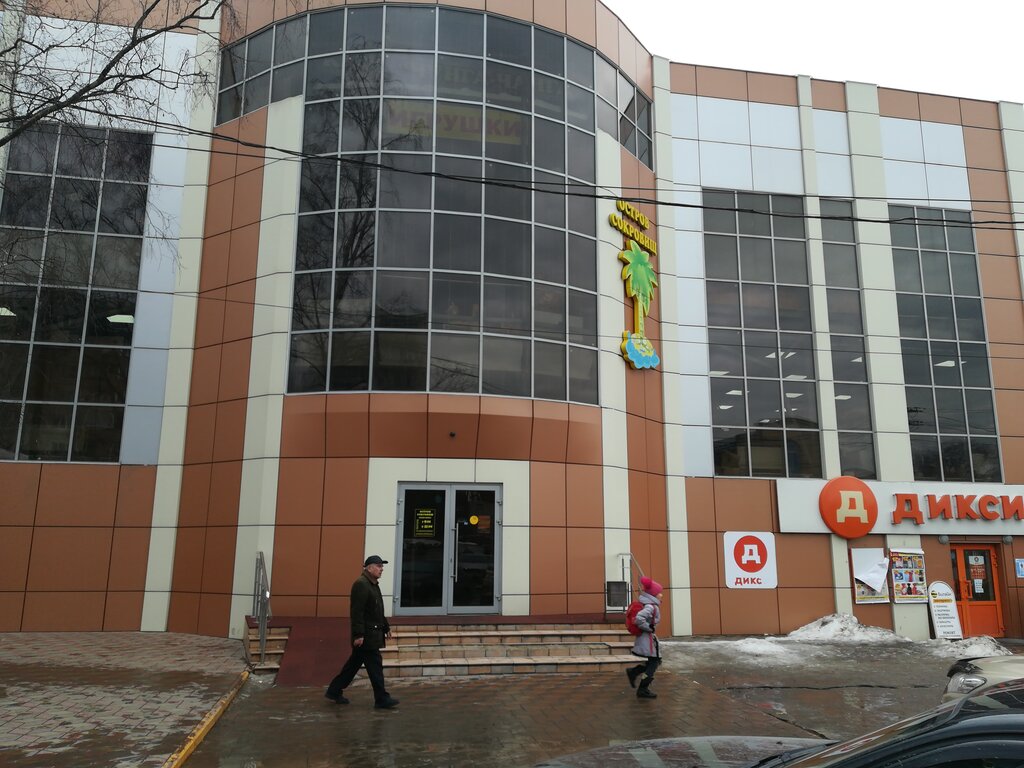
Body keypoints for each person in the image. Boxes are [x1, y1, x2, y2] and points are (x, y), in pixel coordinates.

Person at [325, 555, 400, 709]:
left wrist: (386, 627)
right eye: (379, 566)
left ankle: (334, 691)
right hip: (366, 637)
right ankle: (382, 699)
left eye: (382, 566)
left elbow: (377, 610)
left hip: (370, 635)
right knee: (375, 667)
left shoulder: (373, 584)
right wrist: (358, 635)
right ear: (369, 568)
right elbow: (357, 612)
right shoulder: (361, 585)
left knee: (352, 666)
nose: (381, 569)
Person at [625, 576, 663, 700]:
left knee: (654, 662)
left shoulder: (650, 605)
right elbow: (639, 619)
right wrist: (649, 628)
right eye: (659, 593)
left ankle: (634, 672)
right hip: (647, 639)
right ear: (653, 595)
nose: (661, 595)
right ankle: (643, 688)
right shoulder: (651, 607)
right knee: (654, 662)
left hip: (647, 638)